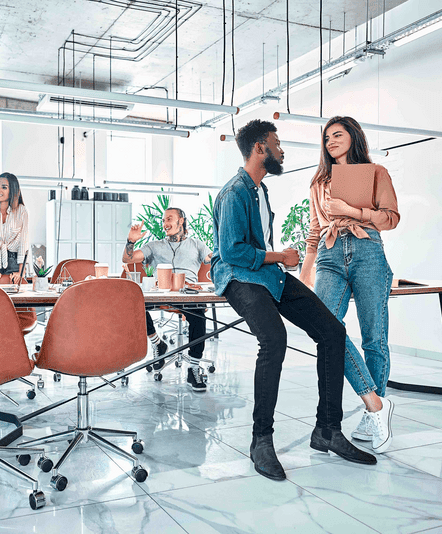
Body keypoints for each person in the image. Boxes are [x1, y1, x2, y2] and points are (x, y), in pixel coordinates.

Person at [211, 119, 376, 482]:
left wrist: (279, 261)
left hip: (268, 276)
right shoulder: (234, 192)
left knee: (332, 332)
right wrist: (280, 257)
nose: (281, 150)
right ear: (259, 148)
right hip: (238, 277)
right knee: (274, 339)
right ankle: (260, 439)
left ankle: (328, 430)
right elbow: (231, 251)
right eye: (277, 143)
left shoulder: (260, 190)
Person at [299, 116, 399, 454]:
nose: (330, 141)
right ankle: (376, 405)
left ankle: (374, 415)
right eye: (326, 138)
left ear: (354, 137)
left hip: (367, 250)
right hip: (329, 253)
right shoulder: (319, 182)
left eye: (337, 135)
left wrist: (352, 210)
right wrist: (306, 268)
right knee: (326, 328)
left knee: (374, 337)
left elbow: (391, 218)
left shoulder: (375, 173)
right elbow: (315, 227)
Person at [123, 208, 212, 392]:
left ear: (181, 221)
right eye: (164, 220)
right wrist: (131, 241)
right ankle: (157, 343)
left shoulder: (197, 244)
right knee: (134, 304)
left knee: (198, 311)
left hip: (188, 293)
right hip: (161, 292)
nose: (165, 223)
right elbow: (128, 258)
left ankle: (194, 367)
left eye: (169, 219)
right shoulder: (154, 246)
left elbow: (214, 259)